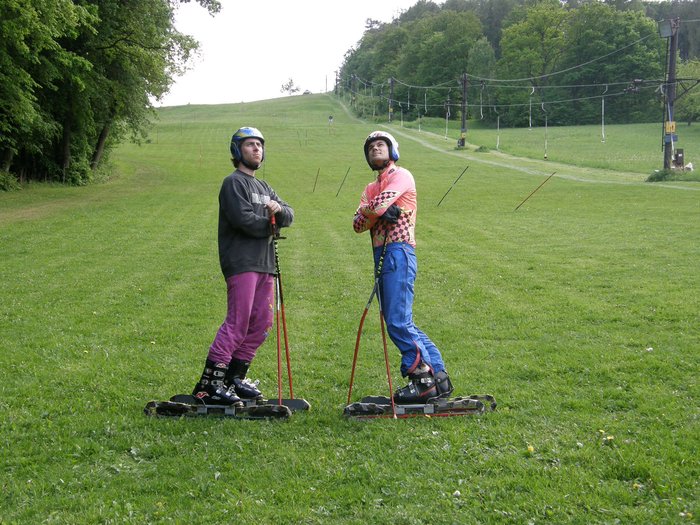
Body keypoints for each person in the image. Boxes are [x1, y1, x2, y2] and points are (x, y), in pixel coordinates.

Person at [191, 126, 294, 405]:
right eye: (249, 145)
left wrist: (280, 211)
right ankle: (210, 384)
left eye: (259, 145)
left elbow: (290, 214)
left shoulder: (265, 187)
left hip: (264, 264)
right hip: (241, 261)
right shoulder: (233, 183)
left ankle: (234, 377)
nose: (256, 149)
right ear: (237, 151)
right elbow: (244, 220)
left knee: (261, 322)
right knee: (238, 322)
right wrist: (273, 221)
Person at [352, 131, 453, 404]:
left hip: (399, 250)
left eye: (380, 145)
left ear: (392, 150)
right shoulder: (370, 187)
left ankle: (421, 377)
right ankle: (439, 377)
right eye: (371, 147)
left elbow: (374, 209)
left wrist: (373, 211)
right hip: (380, 254)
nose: (375, 149)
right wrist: (376, 211)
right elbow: (358, 225)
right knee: (401, 320)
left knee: (397, 320)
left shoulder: (402, 175)